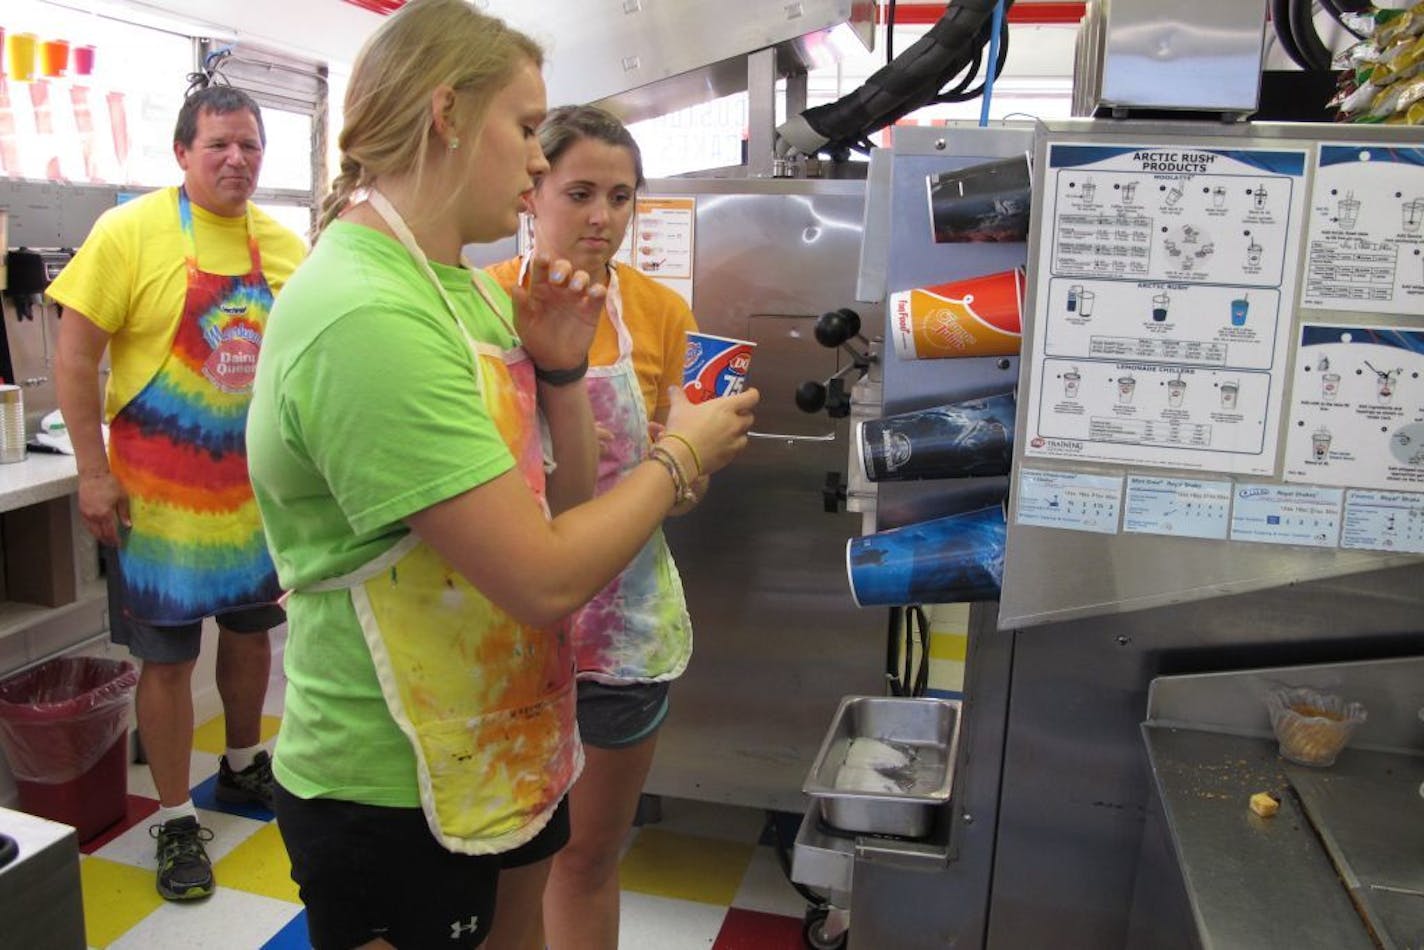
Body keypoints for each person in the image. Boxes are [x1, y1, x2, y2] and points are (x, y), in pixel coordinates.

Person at [244, 1, 758, 947]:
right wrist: (681, 454)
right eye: (525, 128)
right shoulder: (366, 314)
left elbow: (561, 509)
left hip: (509, 741)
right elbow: (541, 579)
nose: (536, 161)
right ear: (445, 113)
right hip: (395, 776)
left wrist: (560, 372)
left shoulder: (450, 292)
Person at [50, 83, 304, 902]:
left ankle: (239, 767)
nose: (237, 159)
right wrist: (92, 471)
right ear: (182, 153)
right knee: (165, 662)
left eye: (251, 146)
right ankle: (169, 817)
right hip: (155, 504)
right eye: (219, 145)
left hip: (254, 498)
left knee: (252, 638)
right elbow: (74, 353)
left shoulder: (283, 243)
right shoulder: (129, 232)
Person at [488, 104, 702, 950]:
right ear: (531, 193)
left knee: (586, 857)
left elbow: (672, 487)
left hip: (623, 630)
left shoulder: (659, 312)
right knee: (505, 858)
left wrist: (687, 465)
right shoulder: (482, 306)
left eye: (620, 196)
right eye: (579, 192)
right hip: (501, 626)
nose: (602, 217)